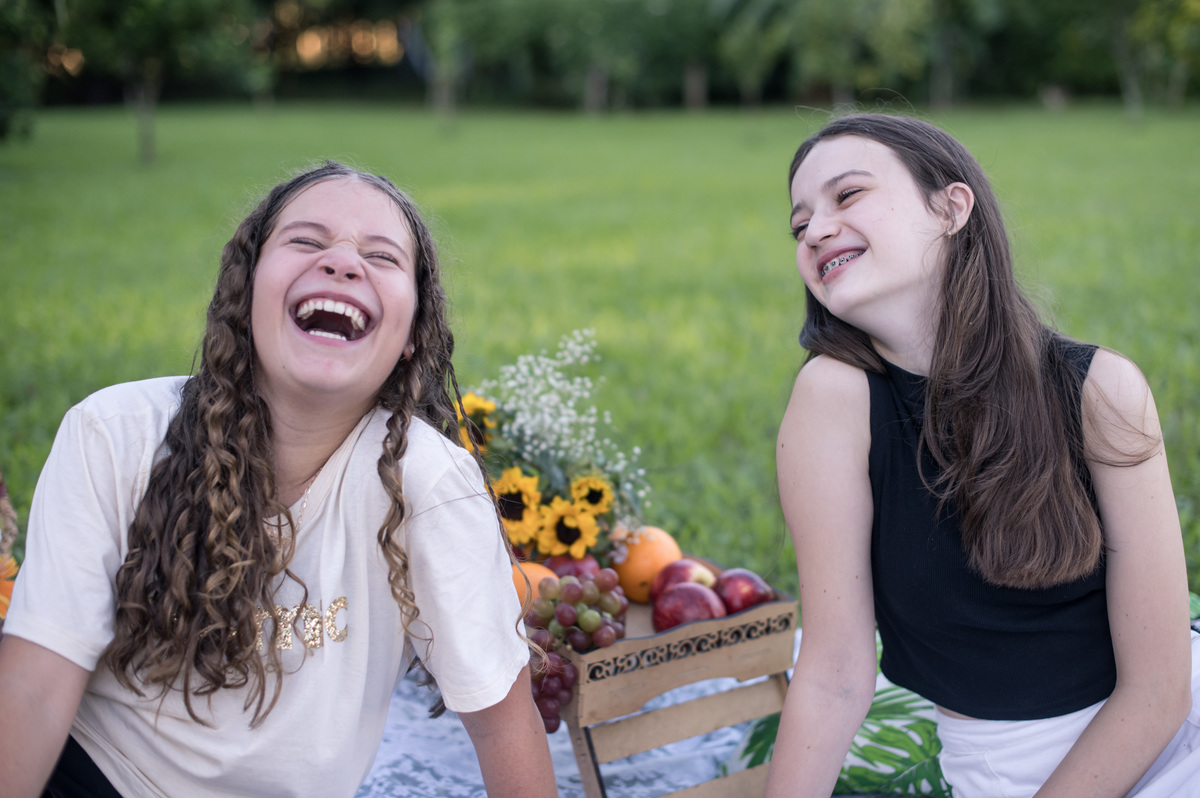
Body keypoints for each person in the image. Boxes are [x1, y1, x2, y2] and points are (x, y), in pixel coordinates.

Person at [0, 162, 557, 798]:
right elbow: (36, 685)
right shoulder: (114, 435)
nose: (344, 263)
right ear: (246, 291)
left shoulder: (431, 486)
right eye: (306, 241)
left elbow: (500, 723)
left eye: (381, 255)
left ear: (411, 335)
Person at [766, 114, 1199, 797]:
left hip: (1165, 738)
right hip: (1006, 766)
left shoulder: (1100, 390)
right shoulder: (833, 401)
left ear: (951, 208)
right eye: (800, 224)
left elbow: (1159, 692)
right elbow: (835, 672)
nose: (815, 229)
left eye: (846, 196)